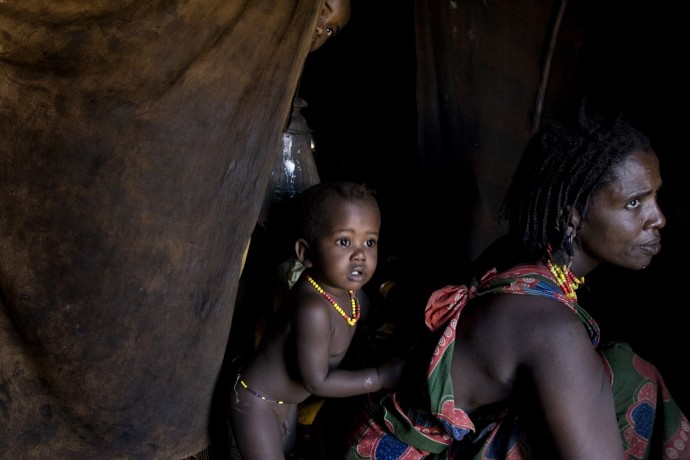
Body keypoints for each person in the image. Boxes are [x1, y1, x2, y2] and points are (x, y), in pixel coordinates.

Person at [308, 113, 690, 459]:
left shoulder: (519, 252)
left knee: (621, 372)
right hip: (375, 453)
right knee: (633, 384)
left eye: (654, 196)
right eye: (634, 204)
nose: (658, 218)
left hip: (350, 430)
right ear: (572, 215)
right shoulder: (553, 332)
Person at [229, 181, 405, 460]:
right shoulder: (313, 309)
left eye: (369, 241)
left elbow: (373, 315)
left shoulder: (352, 293)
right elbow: (317, 382)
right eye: (344, 241)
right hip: (257, 403)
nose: (360, 254)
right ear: (305, 253)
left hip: (287, 402)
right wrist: (379, 377)